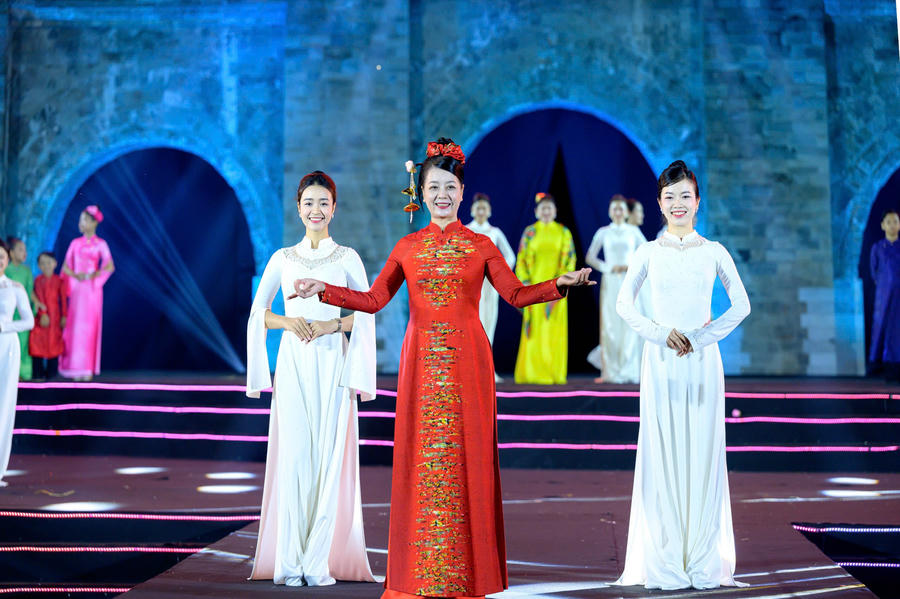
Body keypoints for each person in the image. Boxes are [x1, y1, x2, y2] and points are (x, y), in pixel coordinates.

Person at [290, 138, 593, 599]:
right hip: (422, 367)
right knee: (423, 463)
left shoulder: (481, 245)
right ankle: (421, 576)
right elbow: (373, 300)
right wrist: (325, 290)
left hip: (469, 364)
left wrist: (558, 285)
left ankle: (469, 577)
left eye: (450, 187)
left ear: (463, 191)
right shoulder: (407, 247)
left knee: (468, 460)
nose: (442, 195)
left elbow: (515, 295)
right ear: (422, 192)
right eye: (434, 187)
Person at [614, 160, 750, 590]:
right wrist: (660, 334)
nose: (678, 204)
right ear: (659, 203)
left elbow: (742, 305)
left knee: (703, 453)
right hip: (660, 361)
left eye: (685, 196)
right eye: (669, 197)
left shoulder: (714, 251)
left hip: (703, 363)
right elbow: (623, 305)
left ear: (697, 202)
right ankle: (666, 557)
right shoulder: (647, 253)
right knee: (663, 453)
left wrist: (703, 337)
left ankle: (704, 559)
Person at [246, 171, 377, 587]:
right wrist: (288, 322)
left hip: (333, 364)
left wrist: (331, 325)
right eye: (308, 203)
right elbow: (258, 312)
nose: (315, 210)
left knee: (329, 460)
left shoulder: (347, 258)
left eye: (323, 203)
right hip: (294, 365)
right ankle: (290, 562)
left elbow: (368, 312)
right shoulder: (283, 258)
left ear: (334, 209)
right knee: (296, 458)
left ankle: (317, 562)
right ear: (298, 208)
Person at [513, 193, 577, 384]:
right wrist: (524, 282)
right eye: (543, 208)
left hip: (556, 289)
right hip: (533, 289)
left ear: (555, 211)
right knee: (534, 331)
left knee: (553, 331)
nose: (546, 211)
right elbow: (521, 259)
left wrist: (561, 282)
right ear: (536, 211)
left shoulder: (563, 232)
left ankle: (554, 373)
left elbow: (569, 259)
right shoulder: (530, 232)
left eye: (549, 208)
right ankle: (531, 373)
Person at [586, 195, 647, 384]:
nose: (618, 212)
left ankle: (629, 370)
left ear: (626, 212)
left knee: (629, 323)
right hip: (611, 281)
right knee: (610, 324)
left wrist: (632, 266)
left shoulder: (633, 231)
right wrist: (608, 268)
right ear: (609, 212)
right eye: (614, 209)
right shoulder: (603, 232)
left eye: (621, 209)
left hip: (629, 281)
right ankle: (611, 371)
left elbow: (646, 253)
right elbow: (590, 257)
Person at [59, 206, 114, 381]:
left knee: (89, 327)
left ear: (93, 222)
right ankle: (73, 367)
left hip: (91, 290)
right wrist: (76, 276)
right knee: (74, 326)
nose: (80, 223)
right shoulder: (75, 243)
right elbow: (66, 266)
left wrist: (94, 276)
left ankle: (87, 368)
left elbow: (109, 266)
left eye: (84, 220)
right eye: (80, 220)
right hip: (76, 289)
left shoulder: (101, 244)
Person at [465, 192, 516, 380]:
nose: (481, 211)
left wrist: (499, 273)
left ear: (489, 211)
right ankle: (470, 369)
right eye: (478, 208)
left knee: (488, 324)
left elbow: (510, 256)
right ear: (472, 210)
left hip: (489, 286)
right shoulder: (465, 231)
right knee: (470, 325)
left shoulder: (495, 232)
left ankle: (486, 370)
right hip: (470, 287)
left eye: (484, 208)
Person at [0, 239, 35, 487]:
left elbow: (29, 321)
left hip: (7, 348)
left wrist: (4, 325)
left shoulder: (14, 287)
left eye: (1, 257)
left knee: (3, 404)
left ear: (7, 258)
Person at [869, 209, 900, 381]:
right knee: (882, 328)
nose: (892, 225)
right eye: (889, 222)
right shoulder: (878, 248)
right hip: (884, 295)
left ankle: (895, 364)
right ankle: (879, 365)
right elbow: (873, 272)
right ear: (883, 225)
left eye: (895, 221)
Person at [30, 252, 67, 380]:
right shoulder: (38, 280)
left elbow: (63, 300)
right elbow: (39, 298)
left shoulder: (59, 281)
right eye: (43, 263)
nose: (46, 265)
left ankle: (52, 375)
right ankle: (38, 374)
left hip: (55, 318)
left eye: (49, 262)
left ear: (55, 263)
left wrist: (64, 316)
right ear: (39, 266)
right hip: (41, 318)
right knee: (37, 344)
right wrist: (43, 314)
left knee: (54, 344)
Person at [5, 237, 35, 380]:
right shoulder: (6, 270)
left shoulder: (26, 271)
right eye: (20, 250)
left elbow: (30, 291)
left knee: (23, 345)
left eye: (25, 250)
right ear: (11, 253)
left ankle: (23, 373)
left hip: (22, 315)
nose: (24, 253)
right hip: (8, 316)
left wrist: (35, 308)